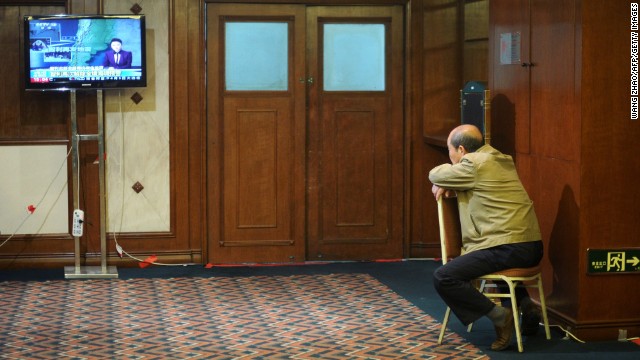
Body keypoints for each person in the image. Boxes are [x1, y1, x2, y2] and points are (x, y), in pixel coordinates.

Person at [428, 124, 543, 351]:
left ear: (461, 150)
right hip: (530, 247)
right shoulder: (500, 159)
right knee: (495, 265)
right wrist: (455, 186)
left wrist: (444, 180)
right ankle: (527, 305)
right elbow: (482, 187)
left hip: (507, 247)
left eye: (449, 151)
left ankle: (500, 315)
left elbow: (434, 173)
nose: (450, 157)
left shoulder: (473, 163)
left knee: (444, 277)